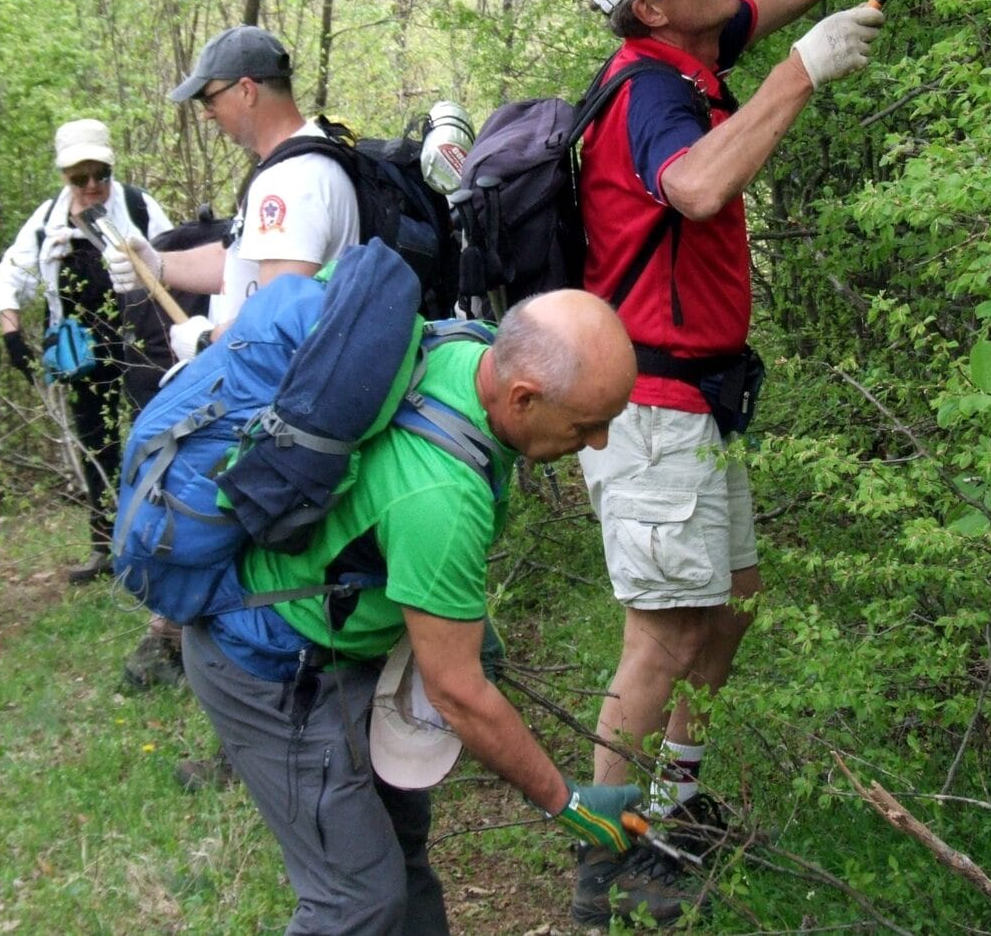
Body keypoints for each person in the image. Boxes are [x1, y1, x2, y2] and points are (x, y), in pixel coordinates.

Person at [571, 0, 969, 919]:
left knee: (730, 608)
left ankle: (678, 811)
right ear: (649, 4)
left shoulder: (694, 52)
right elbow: (696, 187)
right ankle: (603, 862)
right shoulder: (650, 93)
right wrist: (801, 74)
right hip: (649, 412)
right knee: (658, 642)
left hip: (696, 403)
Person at [181, 288, 649, 934]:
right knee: (356, 900)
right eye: (584, 425)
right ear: (522, 397)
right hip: (270, 669)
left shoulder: (468, 347)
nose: (596, 442)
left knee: (401, 858)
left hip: (346, 646)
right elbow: (458, 693)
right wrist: (566, 801)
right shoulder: (442, 498)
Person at [106, 25, 362, 763]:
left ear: (247, 89)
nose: (208, 113)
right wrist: (160, 261)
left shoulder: (294, 178)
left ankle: (264, 724)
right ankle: (252, 720)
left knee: (258, 576)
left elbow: (279, 314)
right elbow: (240, 264)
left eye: (211, 98)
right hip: (278, 405)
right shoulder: (292, 169)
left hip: (269, 411)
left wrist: (204, 345)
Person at [0, 118, 173, 584]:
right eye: (80, 178)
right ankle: (106, 547)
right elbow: (10, 278)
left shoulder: (138, 208)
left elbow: (174, 263)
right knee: (98, 445)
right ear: (64, 176)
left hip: (140, 344)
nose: (93, 186)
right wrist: (13, 337)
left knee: (152, 437)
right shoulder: (47, 222)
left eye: (100, 175)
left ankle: (163, 541)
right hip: (79, 354)